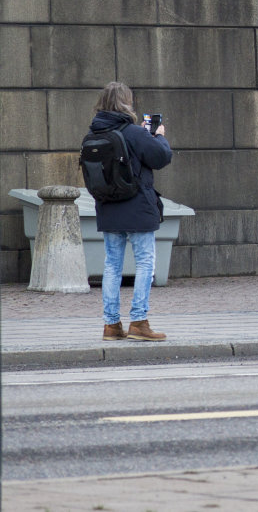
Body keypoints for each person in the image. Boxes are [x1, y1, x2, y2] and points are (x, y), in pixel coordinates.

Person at [89, 82, 173, 341]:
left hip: (108, 206)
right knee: (145, 262)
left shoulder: (92, 134)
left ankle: (111, 325)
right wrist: (159, 135)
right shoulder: (135, 132)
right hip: (137, 206)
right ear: (126, 103)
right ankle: (139, 321)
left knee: (112, 265)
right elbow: (161, 157)